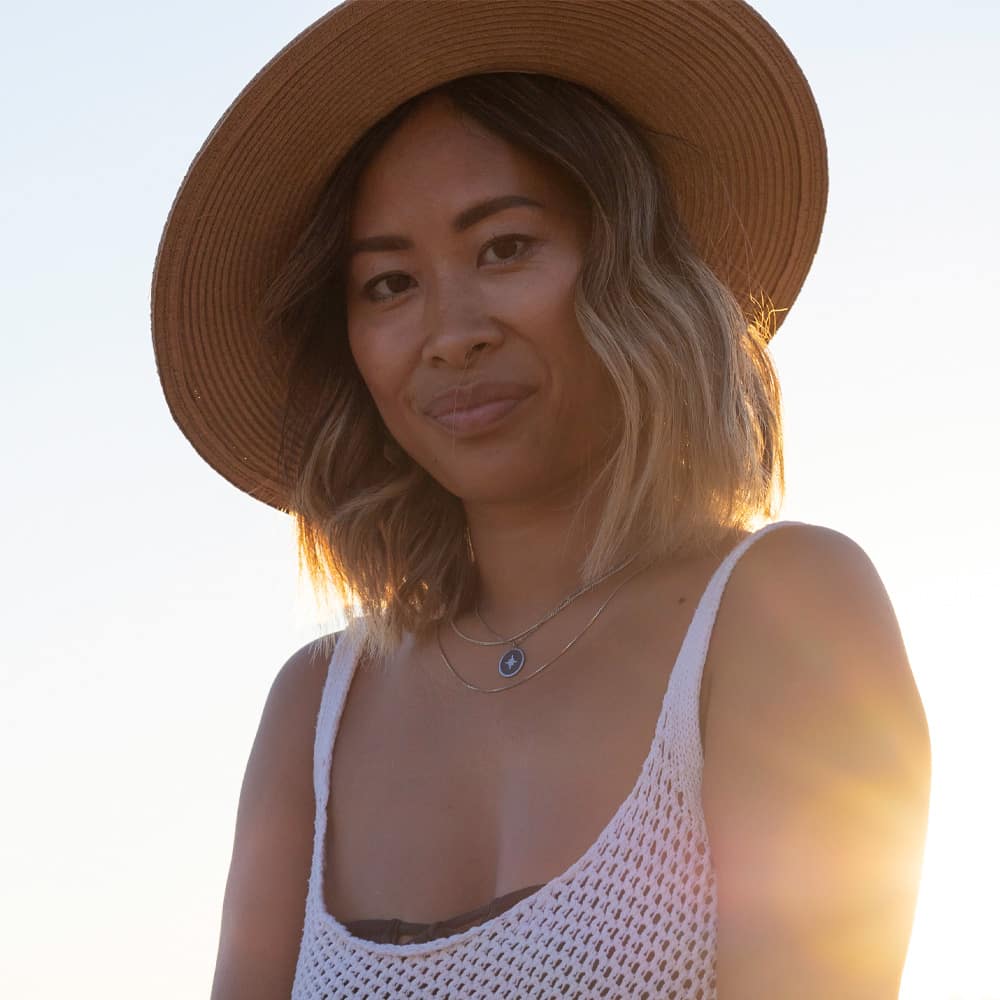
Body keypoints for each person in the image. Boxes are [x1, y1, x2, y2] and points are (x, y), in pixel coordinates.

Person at [152, 2, 931, 998]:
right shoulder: (315, 708)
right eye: (388, 284)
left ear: (629, 266)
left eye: (505, 247)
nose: (451, 332)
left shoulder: (781, 608)